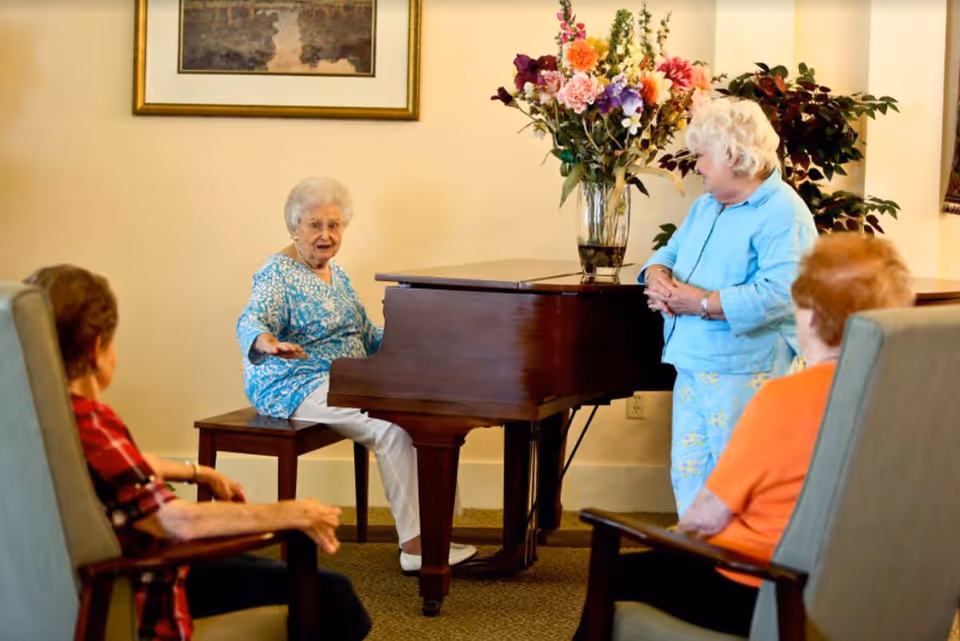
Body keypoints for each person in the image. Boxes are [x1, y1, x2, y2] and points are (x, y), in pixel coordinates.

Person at [587, 234, 914, 637]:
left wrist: (664, 537)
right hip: (869, 596)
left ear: (810, 314)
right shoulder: (916, 400)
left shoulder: (785, 400)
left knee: (618, 571)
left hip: (765, 590)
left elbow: (706, 518)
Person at [25, 264, 372, 641]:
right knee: (333, 593)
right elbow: (178, 522)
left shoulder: (35, 416)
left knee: (247, 566)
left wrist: (197, 473)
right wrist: (290, 512)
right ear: (97, 349)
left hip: (80, 580)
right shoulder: (90, 425)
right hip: (139, 581)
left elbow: (115, 468)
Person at [236, 177, 476, 573]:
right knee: (391, 427)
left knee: (428, 412)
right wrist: (267, 342)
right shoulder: (276, 273)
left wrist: (420, 342)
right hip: (294, 382)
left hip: (347, 377)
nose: (325, 235)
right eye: (315, 225)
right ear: (293, 227)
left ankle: (438, 532)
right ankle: (417, 548)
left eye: (334, 225)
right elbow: (253, 318)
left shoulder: (339, 276)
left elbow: (366, 334)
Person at [641, 97, 818, 515]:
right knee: (689, 475)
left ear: (733, 156)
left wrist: (701, 303)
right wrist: (656, 276)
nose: (697, 165)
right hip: (693, 362)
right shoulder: (706, 206)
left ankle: (735, 576)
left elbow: (785, 290)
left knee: (737, 483)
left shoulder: (784, 213)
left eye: (702, 156)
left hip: (745, 370)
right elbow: (668, 250)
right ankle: (701, 569)